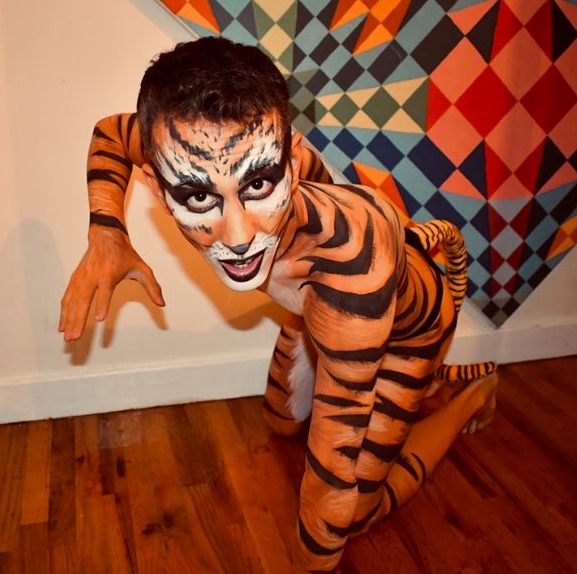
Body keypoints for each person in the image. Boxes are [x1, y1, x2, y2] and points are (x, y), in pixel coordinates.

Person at [59, 37, 497, 572]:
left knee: (353, 511)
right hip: (319, 305)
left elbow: (328, 481)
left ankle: (471, 395)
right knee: (281, 423)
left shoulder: (347, 278)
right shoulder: (180, 144)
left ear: (290, 164)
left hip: (404, 329)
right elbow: (108, 133)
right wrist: (106, 232)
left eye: (260, 184)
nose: (238, 236)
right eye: (199, 196)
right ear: (154, 180)